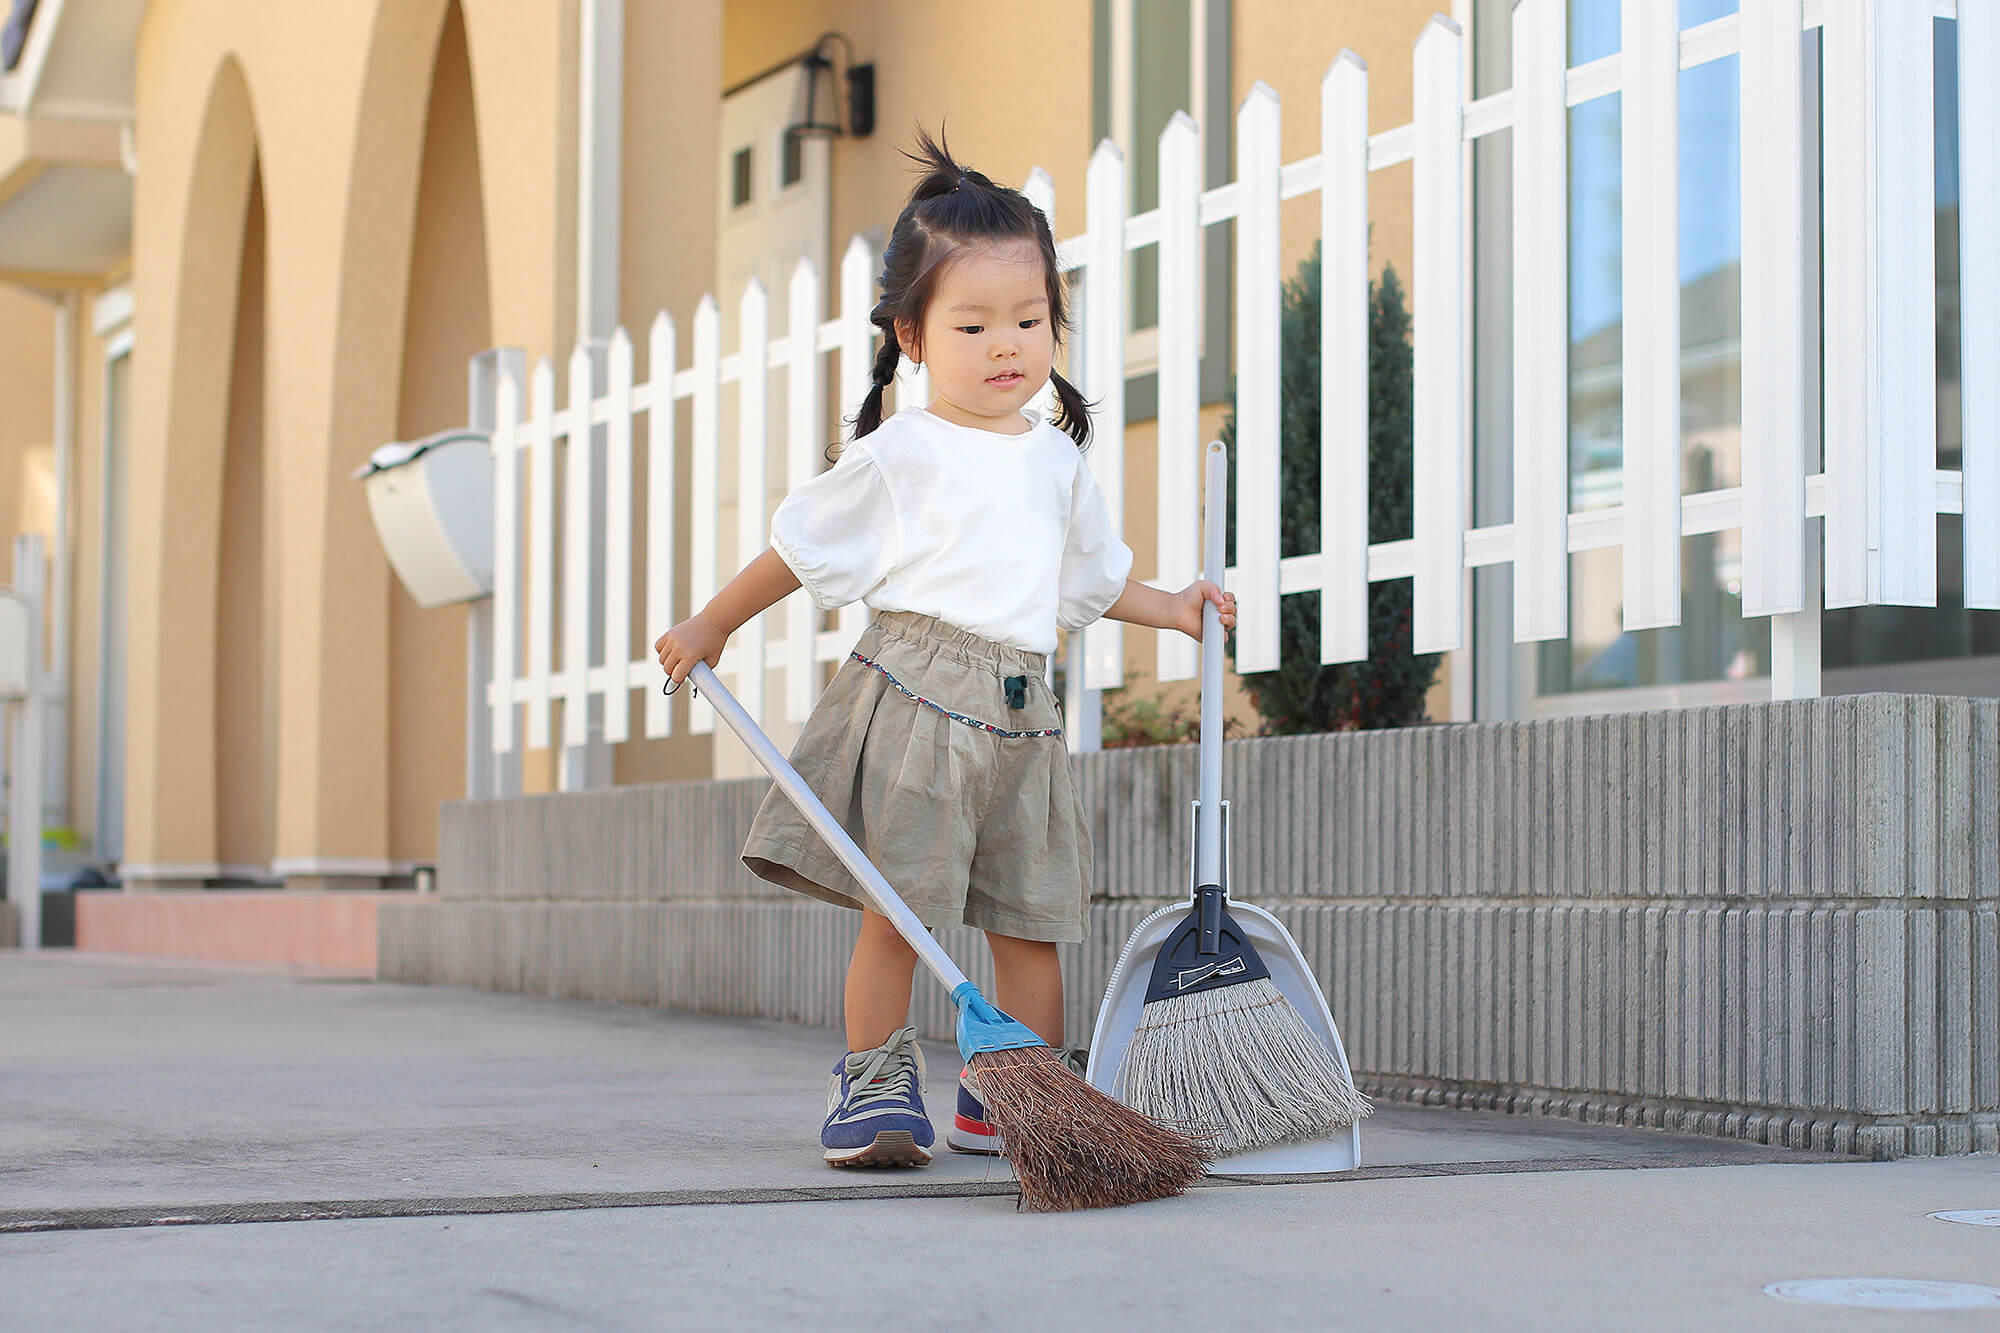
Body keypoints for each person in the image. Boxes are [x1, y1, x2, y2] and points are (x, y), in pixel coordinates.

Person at [653, 128, 1235, 1168]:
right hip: (918, 701)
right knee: (898, 912)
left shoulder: (1056, 461)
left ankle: (1020, 1094)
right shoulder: (902, 452)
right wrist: (710, 624)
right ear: (911, 337)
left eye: (1029, 318)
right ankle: (876, 1088)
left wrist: (1177, 605)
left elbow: (1085, 583)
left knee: (1032, 918)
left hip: (1023, 716)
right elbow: (797, 549)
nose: (1006, 343)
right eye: (972, 323)